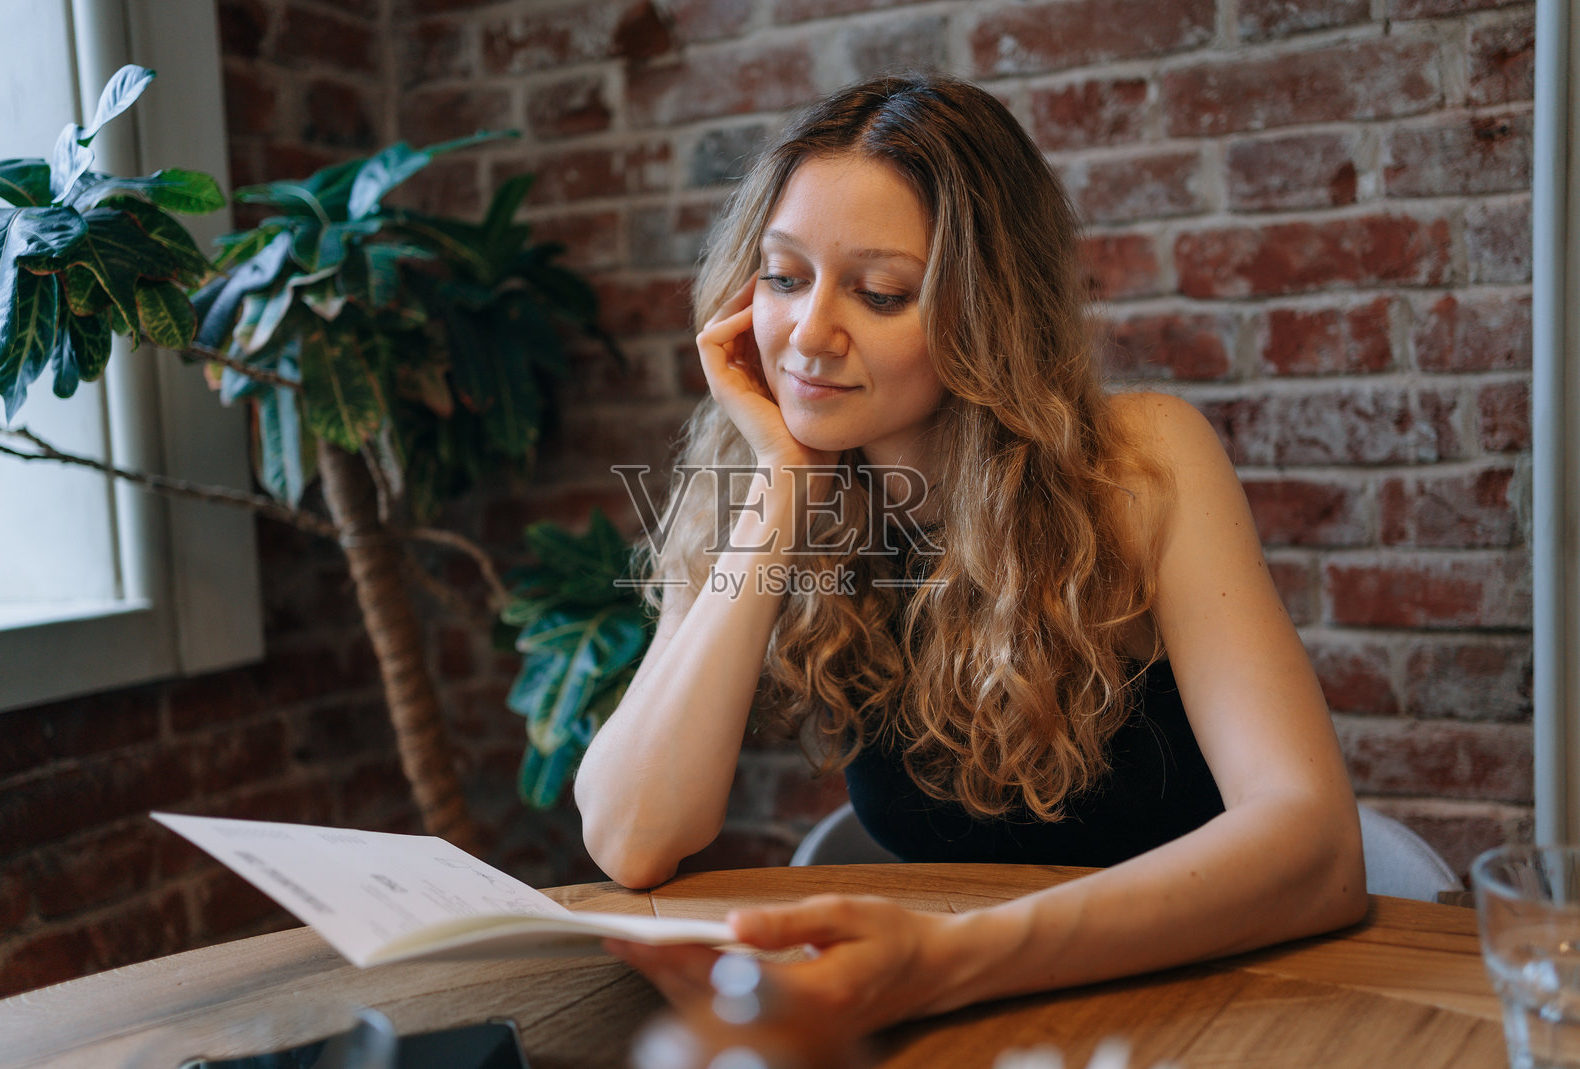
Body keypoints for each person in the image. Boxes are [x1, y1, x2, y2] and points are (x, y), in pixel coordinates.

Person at [573, 73, 1366, 1037]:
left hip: (1210, 1002)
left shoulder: (1143, 463)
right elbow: (632, 835)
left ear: (987, 311)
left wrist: (945, 962)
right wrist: (782, 488)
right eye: (783, 277)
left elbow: (1318, 848)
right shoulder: (778, 480)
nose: (809, 336)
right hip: (971, 1016)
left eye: (880, 292)